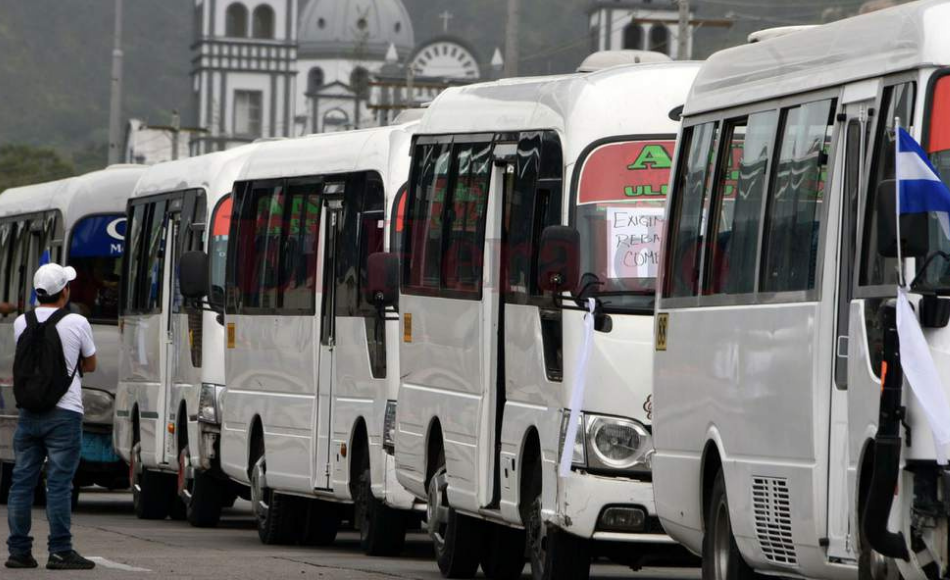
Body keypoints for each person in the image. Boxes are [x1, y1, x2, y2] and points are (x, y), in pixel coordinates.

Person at [5, 264, 97, 571]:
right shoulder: (77, 321)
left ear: (37, 292)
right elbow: (92, 363)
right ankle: (60, 551)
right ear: (65, 291)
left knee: (21, 483)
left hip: (29, 412)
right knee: (58, 484)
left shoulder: (22, 322)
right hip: (65, 412)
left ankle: (18, 552)